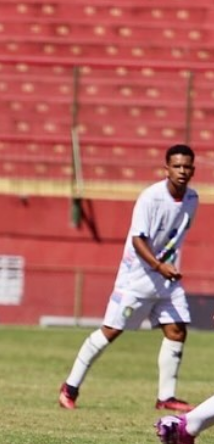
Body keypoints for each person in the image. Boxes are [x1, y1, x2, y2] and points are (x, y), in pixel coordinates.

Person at [59, 144, 198, 411]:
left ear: (193, 169)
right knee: (111, 331)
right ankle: (70, 387)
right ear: (166, 168)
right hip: (138, 277)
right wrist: (159, 266)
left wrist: (166, 267)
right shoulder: (150, 198)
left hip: (166, 277)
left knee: (177, 329)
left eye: (187, 166)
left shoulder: (192, 199)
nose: (182, 171)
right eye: (177, 166)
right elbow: (137, 239)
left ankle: (166, 397)